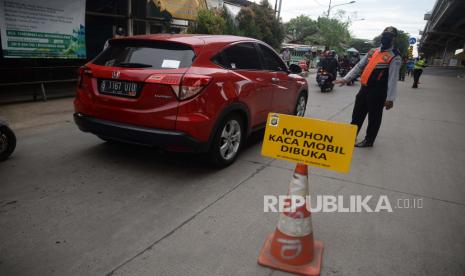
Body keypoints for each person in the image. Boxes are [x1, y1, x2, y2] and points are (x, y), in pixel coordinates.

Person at [334, 26, 401, 147]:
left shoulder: (394, 56)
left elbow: (393, 79)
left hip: (378, 91)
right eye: (384, 35)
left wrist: (390, 98)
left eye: (389, 36)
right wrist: (345, 79)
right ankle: (351, 136)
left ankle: (369, 140)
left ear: (393, 39)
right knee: (357, 114)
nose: (385, 38)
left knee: (374, 117)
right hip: (364, 88)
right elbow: (359, 66)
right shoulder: (372, 51)